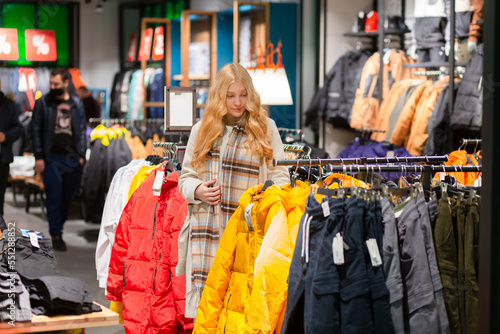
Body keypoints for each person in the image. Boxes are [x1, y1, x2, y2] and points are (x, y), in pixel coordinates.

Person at [178, 62, 290, 316]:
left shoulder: (265, 128)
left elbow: (281, 175)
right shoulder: (202, 130)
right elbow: (185, 179)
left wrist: (262, 202)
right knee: (210, 310)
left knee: (242, 308)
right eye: (230, 96)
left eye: (243, 95)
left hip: (247, 231)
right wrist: (197, 190)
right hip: (207, 234)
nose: (238, 102)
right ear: (220, 96)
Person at [31, 68, 87, 251]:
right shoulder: (43, 103)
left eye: (56, 84)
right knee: (53, 196)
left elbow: (81, 130)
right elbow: (35, 130)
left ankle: (59, 227)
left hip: (72, 158)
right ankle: (56, 234)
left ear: (65, 83)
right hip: (51, 158)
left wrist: (81, 155)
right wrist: (39, 156)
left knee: (67, 197)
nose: (53, 87)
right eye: (51, 84)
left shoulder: (77, 104)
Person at [0, 82, 22, 221]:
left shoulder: (9, 105)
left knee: (0, 196)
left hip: (2, 158)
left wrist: (5, 136)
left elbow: (18, 129)